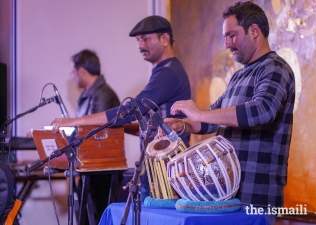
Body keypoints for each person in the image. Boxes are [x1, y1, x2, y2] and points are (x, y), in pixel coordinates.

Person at [159, 2, 295, 225]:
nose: (227, 44)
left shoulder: (275, 68)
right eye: (225, 37)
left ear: (254, 31)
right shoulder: (239, 77)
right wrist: (182, 125)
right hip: (228, 193)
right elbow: (212, 119)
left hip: (257, 196)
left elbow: (262, 111)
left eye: (232, 35)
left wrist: (199, 113)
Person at [51, 16, 191, 203]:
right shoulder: (163, 71)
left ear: (164, 39)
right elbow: (149, 126)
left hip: (166, 170)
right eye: (137, 40)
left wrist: (73, 121)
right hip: (158, 168)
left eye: (145, 39)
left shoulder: (168, 72)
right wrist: (119, 128)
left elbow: (131, 110)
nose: (140, 45)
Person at [70, 49, 121, 224]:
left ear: (81, 71)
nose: (73, 76)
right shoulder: (90, 94)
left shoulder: (103, 93)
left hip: (102, 172)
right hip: (91, 169)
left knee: (98, 218)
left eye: (73, 71)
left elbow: (93, 132)